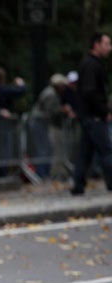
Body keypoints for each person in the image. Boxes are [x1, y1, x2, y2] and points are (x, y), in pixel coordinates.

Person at [71, 33, 112, 195]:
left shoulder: (90, 64)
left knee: (85, 152)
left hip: (88, 116)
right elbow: (90, 91)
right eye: (107, 44)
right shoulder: (92, 65)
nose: (109, 48)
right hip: (94, 116)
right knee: (107, 151)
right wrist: (104, 111)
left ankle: (78, 185)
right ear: (97, 45)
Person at [28, 74, 69, 179]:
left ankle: (44, 172)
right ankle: (42, 173)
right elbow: (50, 111)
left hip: (41, 122)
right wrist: (63, 110)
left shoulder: (51, 92)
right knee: (43, 148)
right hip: (40, 122)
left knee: (44, 148)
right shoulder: (51, 94)